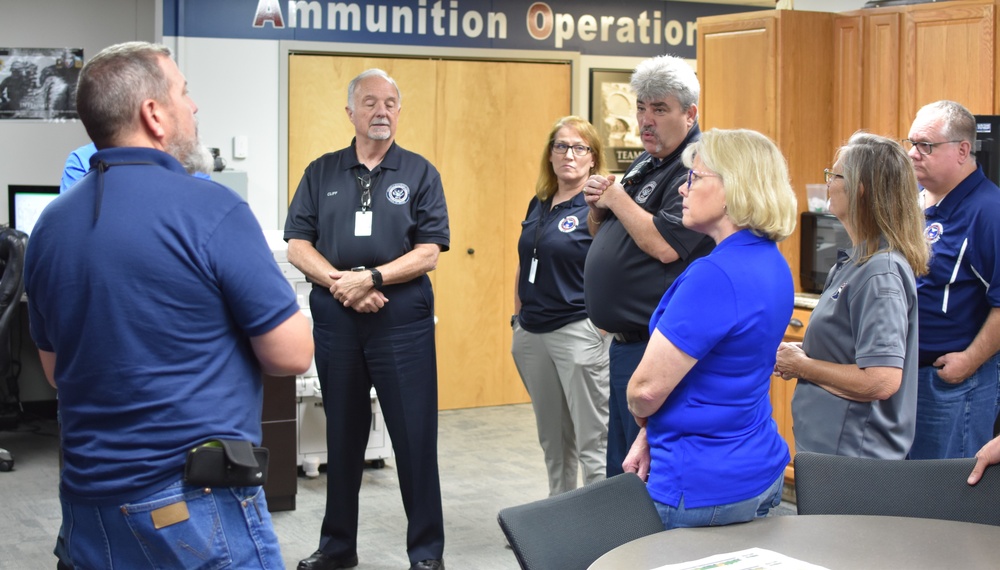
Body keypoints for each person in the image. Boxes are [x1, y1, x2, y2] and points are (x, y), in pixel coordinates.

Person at [23, 41, 313, 569]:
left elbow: (57, 370)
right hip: (193, 508)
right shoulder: (213, 208)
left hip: (88, 512)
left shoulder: (49, 226)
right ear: (153, 114)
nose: (194, 106)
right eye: (184, 91)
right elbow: (291, 354)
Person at [284, 68, 449, 570]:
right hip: (338, 318)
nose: (382, 112)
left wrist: (372, 279)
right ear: (351, 112)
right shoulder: (322, 171)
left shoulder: (420, 172)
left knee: (413, 436)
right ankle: (338, 547)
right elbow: (297, 245)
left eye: (391, 103)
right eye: (371, 103)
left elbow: (428, 252)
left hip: (401, 322)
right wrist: (343, 284)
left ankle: (425, 554)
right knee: (343, 434)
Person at [623, 128, 796, 529]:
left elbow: (646, 390)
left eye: (694, 178)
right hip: (758, 465)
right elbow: (718, 376)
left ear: (734, 188)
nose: (683, 189)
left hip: (701, 484)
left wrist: (642, 416)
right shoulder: (771, 262)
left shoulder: (714, 276)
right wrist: (651, 434)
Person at [582, 54, 715, 477]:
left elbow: (664, 246)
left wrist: (615, 197)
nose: (646, 120)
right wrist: (598, 208)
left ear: (689, 112)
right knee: (621, 468)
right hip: (624, 345)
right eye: (641, 107)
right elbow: (601, 231)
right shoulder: (647, 161)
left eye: (659, 109)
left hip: (656, 343)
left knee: (645, 471)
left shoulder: (696, 166)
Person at [774, 133, 928, 458]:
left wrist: (803, 366)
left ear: (859, 188)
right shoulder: (856, 262)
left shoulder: (880, 272)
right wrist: (805, 352)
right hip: (830, 449)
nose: (828, 184)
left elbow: (880, 380)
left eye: (834, 176)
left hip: (853, 455)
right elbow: (853, 349)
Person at [511, 115, 611, 496]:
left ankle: (603, 526)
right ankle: (560, 516)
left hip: (577, 331)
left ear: (592, 158)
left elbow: (612, 268)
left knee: (592, 441)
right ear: (550, 155)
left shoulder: (598, 206)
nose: (569, 154)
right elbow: (524, 261)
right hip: (532, 334)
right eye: (561, 146)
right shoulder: (540, 203)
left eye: (579, 147)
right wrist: (517, 319)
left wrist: (598, 329)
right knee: (553, 440)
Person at [904, 100, 1000, 459]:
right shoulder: (916, 202)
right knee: (908, 496)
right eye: (911, 143)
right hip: (906, 377)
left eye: (925, 145)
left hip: (953, 384)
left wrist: (970, 361)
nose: (914, 154)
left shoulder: (988, 212)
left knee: (946, 499)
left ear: (962, 150)